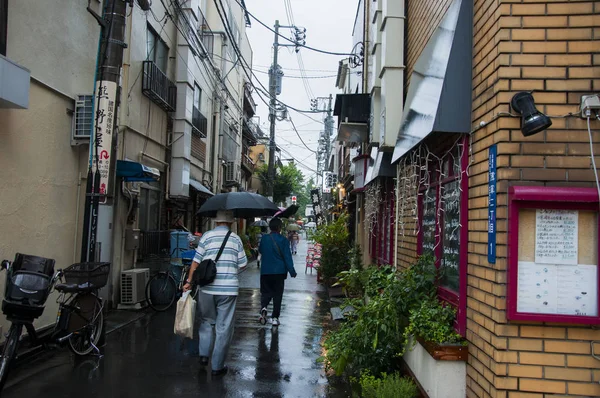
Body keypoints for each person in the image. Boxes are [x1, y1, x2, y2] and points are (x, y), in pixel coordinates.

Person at [183, 210, 247, 376]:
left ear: (216, 222)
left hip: (207, 288)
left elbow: (196, 262)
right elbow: (243, 264)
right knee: (224, 327)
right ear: (231, 222)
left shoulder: (206, 237)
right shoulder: (235, 239)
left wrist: (189, 282)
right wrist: (231, 272)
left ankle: (204, 355)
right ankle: (217, 366)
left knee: (206, 321)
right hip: (228, 290)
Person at [258, 217, 297, 327]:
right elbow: (287, 257)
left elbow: (261, 250)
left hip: (265, 271)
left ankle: (264, 307)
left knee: (265, 292)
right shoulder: (284, 240)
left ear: (270, 227)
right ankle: (275, 318)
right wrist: (292, 271)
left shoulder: (264, 239)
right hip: (279, 272)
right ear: (280, 228)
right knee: (277, 295)